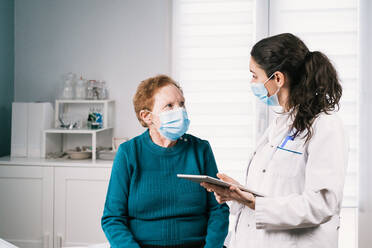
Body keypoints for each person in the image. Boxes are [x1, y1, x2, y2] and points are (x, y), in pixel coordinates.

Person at [201, 33, 348, 248]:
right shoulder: (281, 122)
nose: (251, 82)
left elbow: (322, 204)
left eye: (254, 75)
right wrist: (238, 193)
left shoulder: (325, 125)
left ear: (277, 78)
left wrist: (252, 202)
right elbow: (274, 190)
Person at [101, 75, 229, 248]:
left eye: (181, 104)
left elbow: (218, 209)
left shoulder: (201, 149)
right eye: (169, 106)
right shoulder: (129, 153)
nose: (180, 111)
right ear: (147, 116)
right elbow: (113, 218)